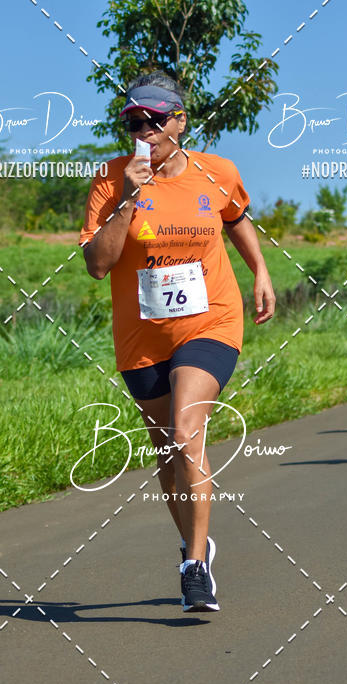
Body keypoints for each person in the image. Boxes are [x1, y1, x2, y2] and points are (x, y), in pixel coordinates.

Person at [79, 70, 276, 613]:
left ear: (180, 121)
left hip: (210, 320)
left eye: (155, 120)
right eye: (133, 122)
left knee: (188, 429)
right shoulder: (110, 178)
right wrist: (128, 197)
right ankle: (196, 540)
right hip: (142, 334)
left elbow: (236, 217)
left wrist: (259, 270)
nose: (144, 130)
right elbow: (98, 265)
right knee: (166, 445)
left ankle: (194, 565)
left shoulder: (217, 172)